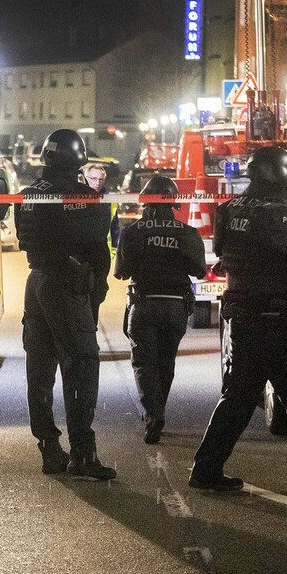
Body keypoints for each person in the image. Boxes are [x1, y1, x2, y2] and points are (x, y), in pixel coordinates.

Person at [190, 146, 287, 495]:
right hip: (280, 322)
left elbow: (225, 256)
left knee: (238, 397)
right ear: (286, 177)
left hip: (242, 321)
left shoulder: (229, 212)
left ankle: (206, 468)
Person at [14, 129, 115, 479]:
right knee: (82, 366)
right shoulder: (81, 196)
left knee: (39, 370)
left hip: (37, 281)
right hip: (66, 285)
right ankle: (83, 454)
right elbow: (95, 239)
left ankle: (49, 448)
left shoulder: (28, 194)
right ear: (78, 159)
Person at [114, 175, 205, 444]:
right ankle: (158, 411)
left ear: (146, 202)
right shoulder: (187, 233)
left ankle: (154, 414)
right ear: (173, 203)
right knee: (166, 363)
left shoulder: (132, 233)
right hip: (176, 307)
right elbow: (199, 270)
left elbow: (120, 272)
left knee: (144, 364)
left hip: (144, 305)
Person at [82, 162, 120, 257]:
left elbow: (114, 228)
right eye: (94, 179)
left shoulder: (111, 200)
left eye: (101, 179)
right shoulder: (76, 198)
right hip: (82, 252)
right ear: (85, 178)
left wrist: (114, 251)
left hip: (104, 253)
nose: (98, 183)